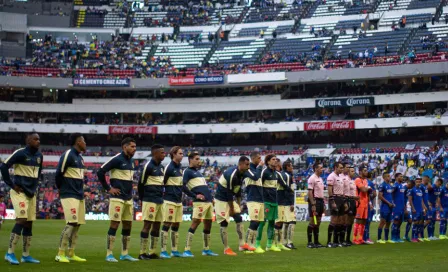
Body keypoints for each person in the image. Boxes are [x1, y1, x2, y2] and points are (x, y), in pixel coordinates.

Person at [1, 133, 43, 265]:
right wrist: (12, 185)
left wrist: (35, 187)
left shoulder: (39, 156)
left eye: (39, 139)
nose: (38, 141)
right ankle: (9, 253)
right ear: (28, 140)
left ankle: (26, 255)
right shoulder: (19, 153)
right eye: (35, 139)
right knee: (21, 219)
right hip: (19, 192)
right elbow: (3, 166)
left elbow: (38, 174)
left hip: (31, 193)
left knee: (29, 222)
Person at [97, 137, 138, 262]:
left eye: (135, 147)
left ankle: (124, 253)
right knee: (115, 223)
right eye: (132, 146)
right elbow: (100, 171)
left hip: (128, 198)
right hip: (117, 198)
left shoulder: (132, 161)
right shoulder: (116, 159)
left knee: (128, 224)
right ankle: (109, 254)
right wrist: (108, 188)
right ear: (124, 147)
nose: (134, 149)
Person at [215, 156, 259, 255]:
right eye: (247, 165)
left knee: (238, 218)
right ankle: (226, 249)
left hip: (229, 199)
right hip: (221, 199)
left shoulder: (242, 173)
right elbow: (229, 193)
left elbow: (238, 190)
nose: (248, 167)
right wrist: (231, 209)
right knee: (224, 223)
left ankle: (242, 244)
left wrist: (238, 205)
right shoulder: (232, 174)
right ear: (241, 164)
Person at [54, 133, 87, 263]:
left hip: (79, 195)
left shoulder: (80, 158)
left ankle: (71, 253)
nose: (85, 143)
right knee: (71, 223)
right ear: (78, 142)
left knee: (77, 224)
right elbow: (58, 173)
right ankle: (60, 253)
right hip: (69, 194)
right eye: (84, 141)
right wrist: (61, 189)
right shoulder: (68, 154)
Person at [182, 152, 218, 257]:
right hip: (200, 203)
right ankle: (186, 250)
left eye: (199, 159)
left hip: (208, 202)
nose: (199, 161)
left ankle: (206, 249)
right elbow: (182, 186)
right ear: (190, 160)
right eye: (197, 159)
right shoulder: (187, 172)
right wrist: (194, 195)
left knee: (208, 224)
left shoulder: (198, 172)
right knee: (195, 223)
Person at [138, 144, 166, 260]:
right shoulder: (148, 166)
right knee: (147, 225)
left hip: (159, 200)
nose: (164, 154)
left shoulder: (162, 167)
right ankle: (142, 253)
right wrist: (142, 199)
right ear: (155, 153)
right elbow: (141, 183)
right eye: (162, 153)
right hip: (149, 200)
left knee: (157, 226)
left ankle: (152, 252)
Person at [160, 146, 184, 258]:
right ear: (174, 154)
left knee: (176, 224)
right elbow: (162, 183)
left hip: (179, 201)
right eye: (180, 153)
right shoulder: (169, 168)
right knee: (167, 224)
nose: (182, 155)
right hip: (169, 200)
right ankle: (163, 250)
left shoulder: (180, 167)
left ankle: (174, 250)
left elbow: (181, 185)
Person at [256, 154, 280, 252]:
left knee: (272, 223)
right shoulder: (264, 172)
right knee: (262, 223)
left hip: (274, 201)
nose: (275, 161)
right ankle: (257, 244)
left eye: (276, 159)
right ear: (268, 161)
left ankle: (269, 245)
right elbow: (258, 185)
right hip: (266, 202)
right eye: (273, 159)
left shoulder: (276, 173)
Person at [243, 152, 265, 253]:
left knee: (258, 222)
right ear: (253, 159)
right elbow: (255, 177)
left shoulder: (257, 170)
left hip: (260, 200)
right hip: (253, 199)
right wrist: (260, 167)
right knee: (254, 222)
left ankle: (252, 245)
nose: (261, 160)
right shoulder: (249, 169)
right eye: (259, 158)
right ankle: (246, 245)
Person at [274, 160, 294, 251]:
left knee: (282, 222)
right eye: (291, 166)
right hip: (284, 202)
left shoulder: (279, 174)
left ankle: (281, 242)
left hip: (279, 200)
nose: (293, 168)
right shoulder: (286, 176)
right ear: (287, 167)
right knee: (290, 222)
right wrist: (291, 202)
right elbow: (289, 190)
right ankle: (288, 242)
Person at [307, 163, 325, 248]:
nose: (322, 169)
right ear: (316, 169)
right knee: (312, 222)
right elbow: (310, 192)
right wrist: (313, 204)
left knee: (318, 222)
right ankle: (310, 242)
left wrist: (324, 203)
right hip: (315, 202)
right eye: (321, 168)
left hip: (320, 202)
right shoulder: (312, 178)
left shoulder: (320, 179)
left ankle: (316, 242)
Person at [326, 162, 345, 248]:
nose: (342, 169)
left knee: (340, 221)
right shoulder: (331, 176)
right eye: (340, 168)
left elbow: (342, 190)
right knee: (334, 220)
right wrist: (332, 201)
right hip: (335, 198)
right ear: (335, 167)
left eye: (342, 168)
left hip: (341, 198)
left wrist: (344, 201)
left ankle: (336, 241)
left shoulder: (341, 177)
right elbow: (330, 189)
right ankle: (329, 241)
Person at [353, 166, 371, 245]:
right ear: (360, 172)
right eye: (365, 170)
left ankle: (360, 239)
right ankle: (354, 238)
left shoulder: (365, 180)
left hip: (365, 203)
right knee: (358, 220)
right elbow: (363, 190)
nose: (366, 172)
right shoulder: (357, 180)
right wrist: (368, 188)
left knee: (363, 221)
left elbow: (367, 191)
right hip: (359, 203)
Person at [377, 172, 395, 244]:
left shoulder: (390, 186)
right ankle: (379, 239)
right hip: (385, 207)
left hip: (390, 206)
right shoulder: (382, 185)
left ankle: (386, 239)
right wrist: (388, 203)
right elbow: (380, 196)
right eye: (387, 176)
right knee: (382, 222)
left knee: (389, 222)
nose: (389, 177)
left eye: (389, 176)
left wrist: (392, 203)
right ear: (384, 177)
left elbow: (391, 196)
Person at [408, 178, 427, 243]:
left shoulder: (420, 190)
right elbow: (410, 200)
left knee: (419, 223)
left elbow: (421, 200)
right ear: (415, 182)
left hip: (420, 209)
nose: (418, 183)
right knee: (415, 223)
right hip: (415, 209)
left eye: (419, 182)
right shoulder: (412, 190)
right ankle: (413, 238)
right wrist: (413, 208)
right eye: (417, 182)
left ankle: (416, 237)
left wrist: (424, 207)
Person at [344, 166, 358, 246]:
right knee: (347, 220)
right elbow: (345, 192)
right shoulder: (346, 180)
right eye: (352, 171)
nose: (353, 172)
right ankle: (343, 239)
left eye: (354, 171)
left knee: (351, 220)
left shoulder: (353, 181)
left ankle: (348, 239)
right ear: (348, 172)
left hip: (353, 201)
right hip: (348, 200)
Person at [391, 173, 406, 242]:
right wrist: (392, 202)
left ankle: (398, 237)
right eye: (400, 176)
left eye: (402, 176)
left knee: (400, 222)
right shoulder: (395, 185)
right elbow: (391, 194)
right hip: (396, 206)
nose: (402, 177)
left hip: (401, 206)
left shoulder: (402, 186)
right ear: (396, 177)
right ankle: (393, 237)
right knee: (395, 221)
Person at [363, 173, 376, 244]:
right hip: (368, 203)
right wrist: (371, 199)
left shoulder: (362, 181)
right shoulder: (370, 183)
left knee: (362, 221)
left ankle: (361, 237)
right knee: (368, 221)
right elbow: (375, 194)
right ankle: (366, 238)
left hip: (362, 203)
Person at [421, 175, 432, 241]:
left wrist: (428, 203)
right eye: (427, 180)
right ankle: (420, 235)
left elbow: (425, 196)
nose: (428, 181)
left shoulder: (425, 187)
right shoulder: (421, 187)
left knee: (428, 220)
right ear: (424, 179)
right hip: (423, 206)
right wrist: (423, 206)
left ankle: (421, 234)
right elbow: (421, 198)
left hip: (426, 205)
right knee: (422, 221)